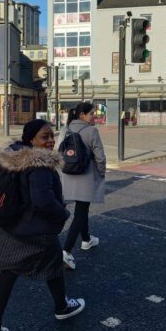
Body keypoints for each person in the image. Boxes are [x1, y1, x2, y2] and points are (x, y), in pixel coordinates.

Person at [0, 119, 85, 331]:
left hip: (13, 225)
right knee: (54, 265)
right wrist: (63, 213)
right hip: (36, 229)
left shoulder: (15, 158)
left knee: (9, 273)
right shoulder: (39, 165)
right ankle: (62, 307)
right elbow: (42, 200)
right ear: (31, 140)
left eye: (51, 136)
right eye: (44, 137)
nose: (50, 141)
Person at [57, 102, 106, 270]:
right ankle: (66, 251)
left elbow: (58, 151)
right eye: (92, 113)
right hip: (86, 175)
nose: (94, 116)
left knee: (82, 208)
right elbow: (100, 157)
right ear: (82, 115)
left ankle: (86, 240)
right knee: (81, 210)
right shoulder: (92, 131)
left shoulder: (65, 130)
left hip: (68, 174)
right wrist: (101, 173)